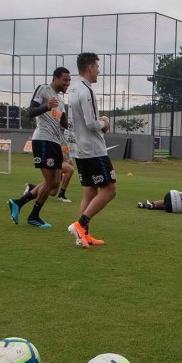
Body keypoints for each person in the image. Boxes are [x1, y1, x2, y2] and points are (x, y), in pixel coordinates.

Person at [7, 67, 71, 227]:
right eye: (65, 79)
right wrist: (46, 106)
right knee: (49, 181)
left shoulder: (62, 101)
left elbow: (63, 123)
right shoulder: (43, 89)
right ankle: (33, 216)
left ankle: (18, 203)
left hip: (55, 142)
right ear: (55, 78)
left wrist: (72, 121)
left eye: (69, 80)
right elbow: (31, 111)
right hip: (43, 140)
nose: (67, 83)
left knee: (55, 183)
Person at [66, 52, 114, 248]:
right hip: (94, 149)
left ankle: (83, 236)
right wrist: (104, 121)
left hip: (80, 149)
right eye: (97, 66)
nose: (99, 71)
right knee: (110, 190)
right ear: (89, 67)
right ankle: (80, 225)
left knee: (90, 192)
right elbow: (91, 123)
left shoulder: (73, 89)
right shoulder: (86, 91)